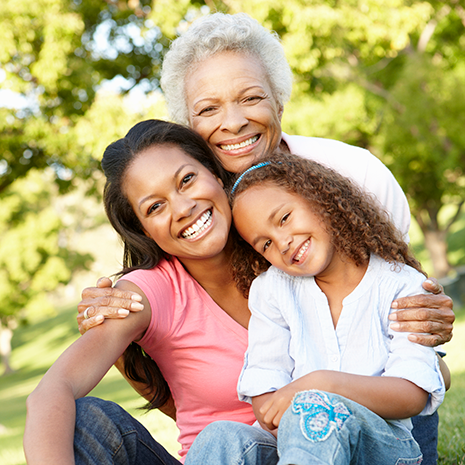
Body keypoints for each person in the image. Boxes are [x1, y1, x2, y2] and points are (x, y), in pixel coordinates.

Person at [77, 12, 454, 463]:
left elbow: (422, 341)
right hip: (279, 434)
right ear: (188, 128)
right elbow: (169, 352)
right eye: (208, 108)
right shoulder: (198, 212)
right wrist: (111, 313)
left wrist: (430, 320)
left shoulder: (356, 175)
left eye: (251, 97)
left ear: (279, 101)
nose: (233, 122)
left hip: (382, 425)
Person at [185, 153, 446, 464]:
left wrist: (321, 385)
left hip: (383, 448)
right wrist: (289, 414)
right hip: (294, 446)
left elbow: (412, 395)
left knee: (314, 409)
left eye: (284, 219)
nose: (282, 242)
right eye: (265, 244)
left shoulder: (401, 285)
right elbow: (265, 388)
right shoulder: (272, 290)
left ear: (320, 199)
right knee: (221, 436)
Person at [24, 119, 258, 464]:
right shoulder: (147, 293)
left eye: (187, 180)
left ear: (216, 173)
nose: (182, 208)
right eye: (155, 207)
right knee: (88, 422)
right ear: (143, 230)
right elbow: (50, 393)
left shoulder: (283, 244)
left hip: (318, 446)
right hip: (217, 456)